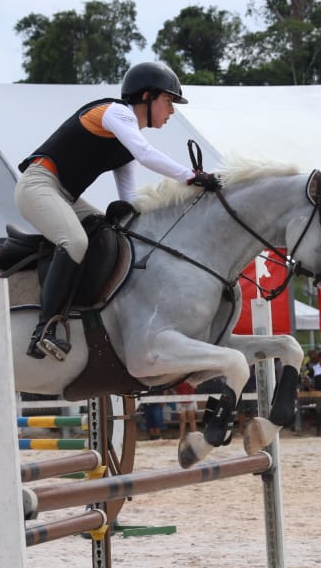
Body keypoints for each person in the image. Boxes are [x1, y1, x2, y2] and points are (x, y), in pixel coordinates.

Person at [15, 61, 217, 361]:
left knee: (109, 234)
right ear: (147, 96)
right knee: (76, 242)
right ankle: (44, 330)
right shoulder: (116, 112)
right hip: (38, 185)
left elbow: (130, 199)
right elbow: (147, 154)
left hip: (65, 196)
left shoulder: (125, 147)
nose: (172, 111)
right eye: (168, 101)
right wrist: (192, 176)